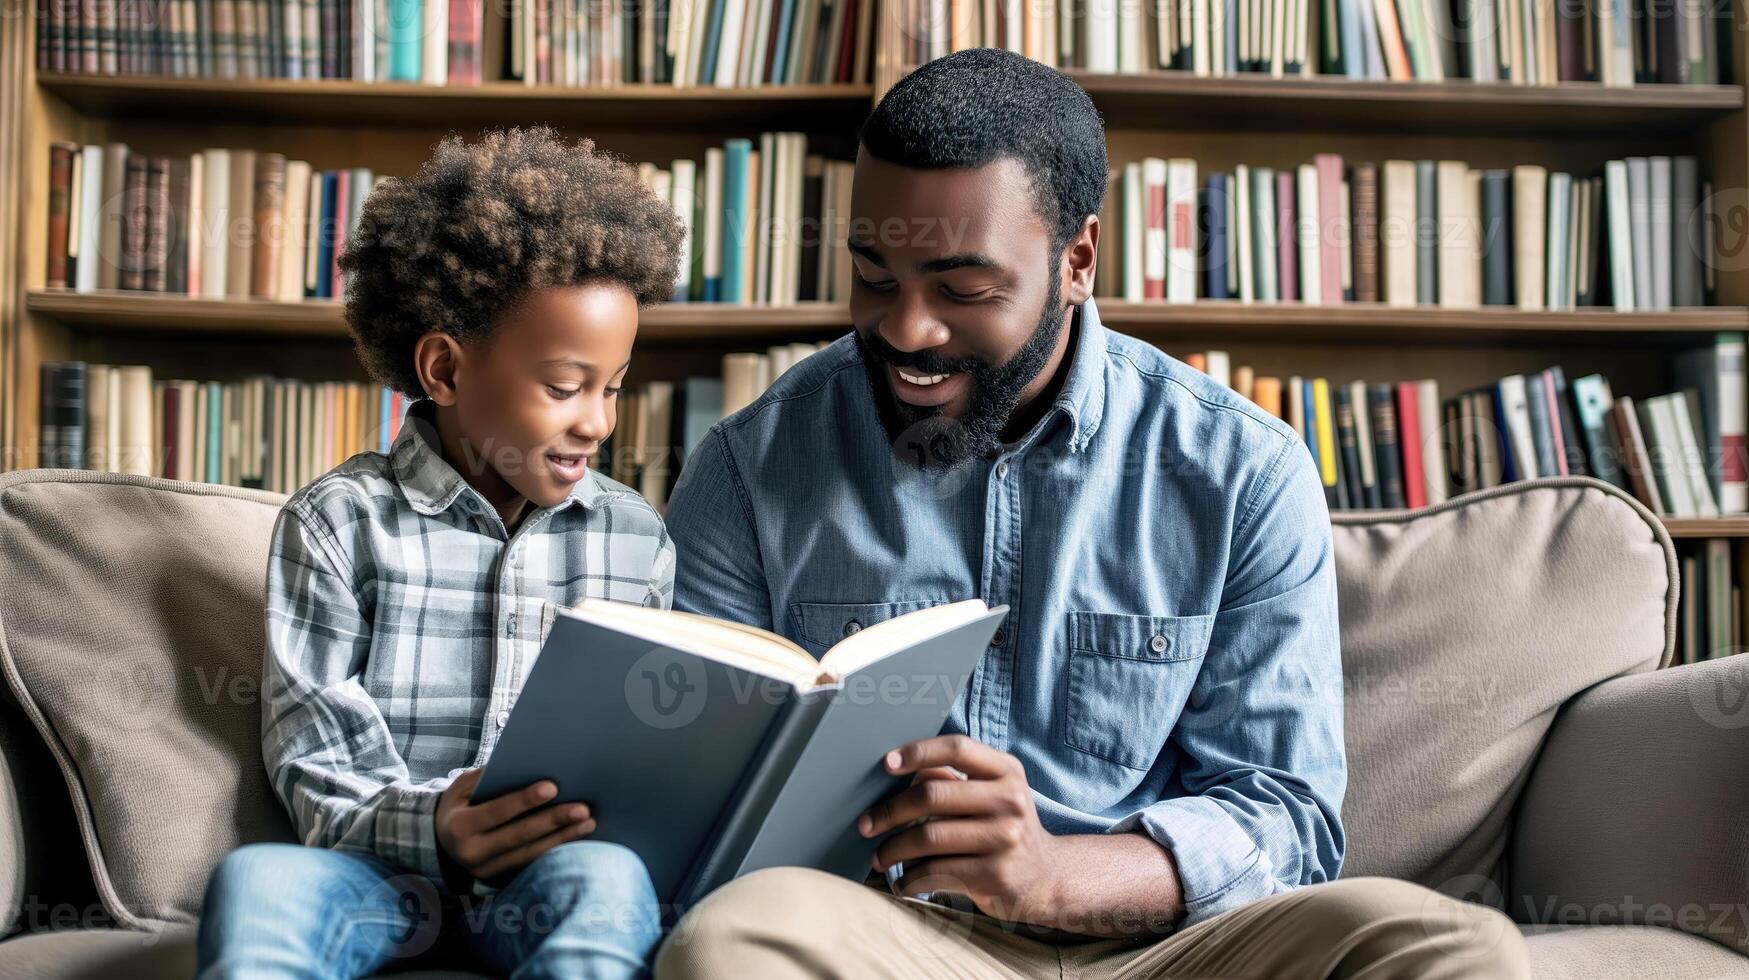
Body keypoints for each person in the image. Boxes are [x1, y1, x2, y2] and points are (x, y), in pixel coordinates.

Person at [655, 49, 1529, 978]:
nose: (907, 331)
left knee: (1444, 943)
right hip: (887, 939)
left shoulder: (1243, 469)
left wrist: (1051, 876)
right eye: (876, 276)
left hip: (1165, 948)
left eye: (962, 289)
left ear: (1076, 260)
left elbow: (1285, 815)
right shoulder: (750, 465)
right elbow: (699, 796)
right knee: (730, 938)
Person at [196, 127, 683, 980]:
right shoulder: (337, 523)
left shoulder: (634, 539)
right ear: (446, 370)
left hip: (546, 874)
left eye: (612, 388)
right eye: (565, 388)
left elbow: (643, 743)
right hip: (375, 874)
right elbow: (314, 754)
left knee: (609, 880)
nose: (598, 422)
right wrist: (433, 828)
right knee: (258, 878)